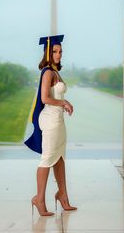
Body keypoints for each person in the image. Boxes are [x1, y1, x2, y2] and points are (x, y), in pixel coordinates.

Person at [24, 34, 77, 216]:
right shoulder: (47, 71)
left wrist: (65, 101)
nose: (59, 54)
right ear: (47, 52)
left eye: (60, 51)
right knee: (47, 159)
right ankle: (39, 198)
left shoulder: (55, 71)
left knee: (60, 158)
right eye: (55, 51)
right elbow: (45, 98)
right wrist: (63, 103)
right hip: (51, 121)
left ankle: (63, 195)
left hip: (59, 121)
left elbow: (57, 95)